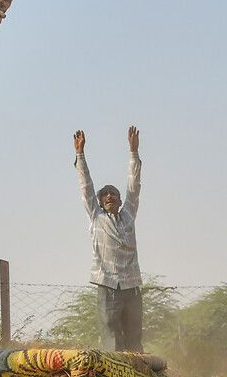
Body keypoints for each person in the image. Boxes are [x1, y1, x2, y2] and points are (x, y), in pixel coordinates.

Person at [74, 126, 143, 352]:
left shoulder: (128, 215)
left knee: (134, 336)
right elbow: (86, 187)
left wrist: (133, 152)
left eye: (113, 194)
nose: (110, 196)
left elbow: (134, 187)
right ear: (100, 202)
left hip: (131, 284)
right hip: (108, 284)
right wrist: (80, 155)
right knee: (111, 337)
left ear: (120, 201)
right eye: (105, 195)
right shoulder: (96, 217)